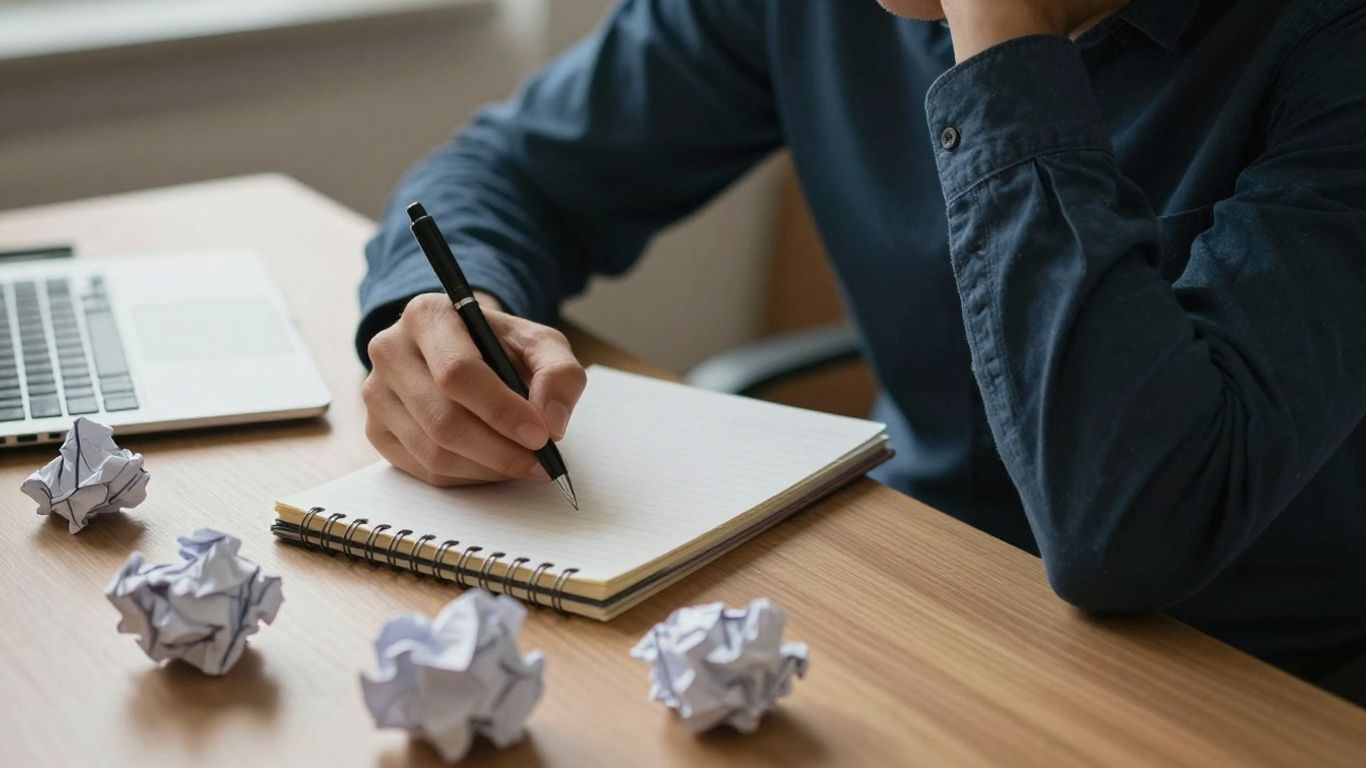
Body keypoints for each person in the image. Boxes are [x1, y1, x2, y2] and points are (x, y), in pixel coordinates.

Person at [357, 0, 1366, 702]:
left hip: (1252, 670)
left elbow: (1133, 528)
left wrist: (1002, 47)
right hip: (918, 600)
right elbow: (511, 171)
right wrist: (443, 310)